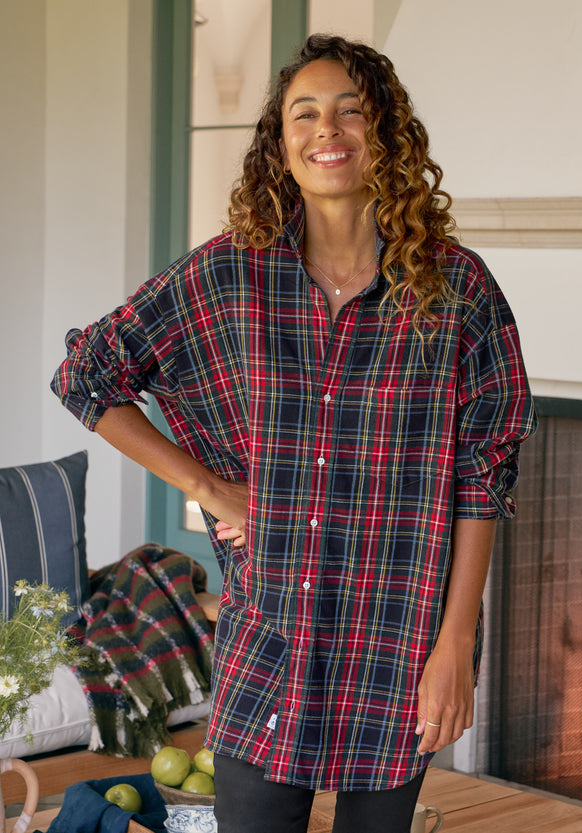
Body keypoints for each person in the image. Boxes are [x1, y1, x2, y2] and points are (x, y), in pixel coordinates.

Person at [52, 33, 537, 833]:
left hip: (401, 640)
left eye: (351, 110)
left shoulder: (459, 293)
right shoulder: (227, 276)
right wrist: (206, 486)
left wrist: (455, 647)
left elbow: (483, 478)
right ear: (280, 146)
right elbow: (88, 373)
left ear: (387, 133)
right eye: (304, 114)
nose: (328, 130)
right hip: (273, 638)